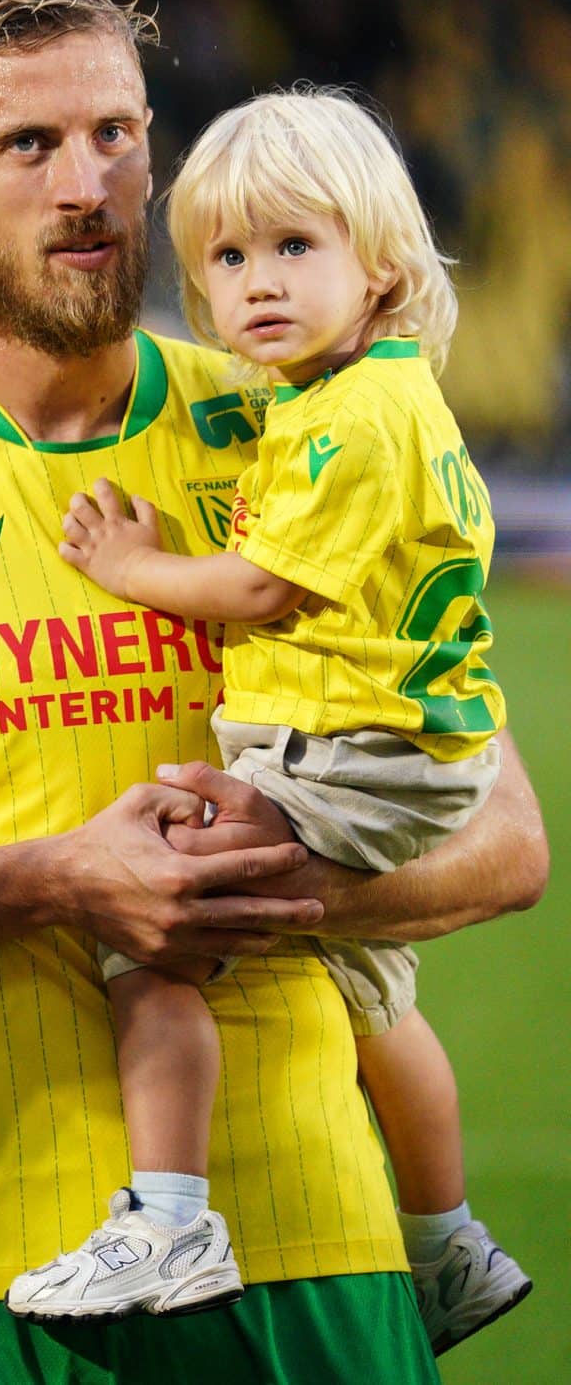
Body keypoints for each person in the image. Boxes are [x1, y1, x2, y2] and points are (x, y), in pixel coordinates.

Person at [0, 0, 549, 1383]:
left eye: (117, 136)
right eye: (27, 143)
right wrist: (59, 878)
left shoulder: (300, 425)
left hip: (314, 1243)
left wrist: (264, 886)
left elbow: (507, 838)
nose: (86, 182)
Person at [38, 87, 531, 1349]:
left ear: (382, 265)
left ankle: (168, 1214)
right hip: (403, 744)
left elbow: (261, 586)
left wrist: (131, 570)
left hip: (351, 750)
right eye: (228, 257)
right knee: (376, 999)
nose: (258, 283)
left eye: (294, 247)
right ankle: (448, 1247)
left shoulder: (357, 418)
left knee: (151, 922)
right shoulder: (344, 397)